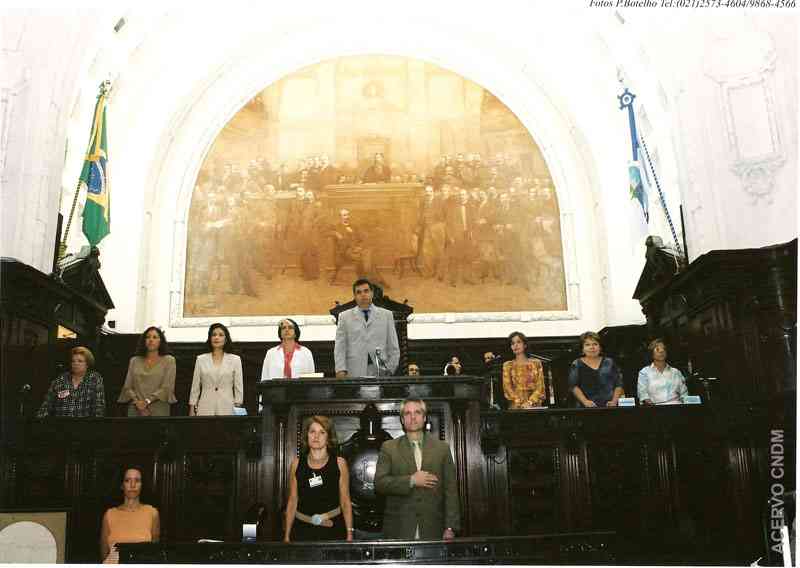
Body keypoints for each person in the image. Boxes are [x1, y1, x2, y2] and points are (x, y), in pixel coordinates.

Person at [374, 398, 460, 540]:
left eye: (417, 412)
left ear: (424, 417)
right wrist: (411, 480)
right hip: (399, 529)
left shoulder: (442, 448)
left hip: (434, 529)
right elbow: (380, 483)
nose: (413, 417)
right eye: (407, 413)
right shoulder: (389, 447)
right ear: (402, 419)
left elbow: (451, 491)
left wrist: (450, 527)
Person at [283, 415, 354, 542]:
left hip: (333, 530)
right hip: (301, 531)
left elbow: (345, 501)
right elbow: (292, 501)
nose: (316, 436)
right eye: (312, 432)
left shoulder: (339, 463)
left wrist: (349, 533)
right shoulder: (296, 464)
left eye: (322, 432)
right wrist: (287, 536)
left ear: (328, 437)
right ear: (307, 436)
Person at [334, 279, 400, 378]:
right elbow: (340, 347)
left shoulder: (386, 315)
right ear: (355, 296)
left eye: (366, 291)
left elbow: (393, 346)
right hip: (353, 372)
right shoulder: (344, 317)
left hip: (381, 372)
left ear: (372, 293)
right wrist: (340, 369)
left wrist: (390, 369)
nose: (363, 295)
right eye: (359, 292)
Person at [99, 466, 159, 563]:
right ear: (122, 485)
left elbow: (155, 554)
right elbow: (104, 557)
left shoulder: (152, 513)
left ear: (142, 484)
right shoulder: (109, 514)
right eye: (128, 480)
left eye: (137, 480)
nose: (132, 485)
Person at [117, 327, 177, 417]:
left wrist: (147, 402)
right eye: (148, 337)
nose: (151, 340)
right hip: (136, 407)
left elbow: (167, 388)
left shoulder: (169, 360)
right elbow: (127, 387)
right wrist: (138, 403)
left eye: (154, 337)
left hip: (158, 408)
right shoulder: (134, 360)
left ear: (161, 341)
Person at [188, 323, 244, 416]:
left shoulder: (235, 360)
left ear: (226, 340)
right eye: (214, 335)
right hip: (205, 407)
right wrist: (192, 407)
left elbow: (239, 388)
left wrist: (238, 407)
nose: (216, 337)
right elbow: (195, 387)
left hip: (227, 408)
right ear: (210, 338)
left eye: (221, 335)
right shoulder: (201, 359)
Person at [37, 346, 105, 417]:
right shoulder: (61, 379)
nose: (76, 364)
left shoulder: (94, 379)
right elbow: (46, 406)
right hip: (60, 425)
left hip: (84, 425)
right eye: (73, 361)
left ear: (87, 364)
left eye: (80, 361)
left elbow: (99, 408)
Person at [568, 331, 624, 408]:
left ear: (600, 347)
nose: (592, 347)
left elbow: (619, 384)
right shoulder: (577, 364)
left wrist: (614, 401)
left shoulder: (609, 362)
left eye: (595, 344)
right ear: (582, 349)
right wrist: (585, 401)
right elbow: (573, 386)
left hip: (609, 407)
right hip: (585, 408)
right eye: (587, 345)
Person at [637, 338, 688, 405]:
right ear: (651, 353)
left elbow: (684, 394)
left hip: (676, 407)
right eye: (657, 349)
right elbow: (643, 394)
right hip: (655, 409)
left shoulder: (676, 372)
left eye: (663, 349)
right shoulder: (644, 372)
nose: (661, 351)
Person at [502, 331, 545, 409]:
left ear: (525, 345)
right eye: (512, 343)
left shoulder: (536, 363)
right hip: (516, 406)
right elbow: (507, 388)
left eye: (518, 342)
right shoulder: (508, 365)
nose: (515, 345)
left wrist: (530, 402)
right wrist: (519, 402)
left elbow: (540, 386)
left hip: (534, 405)